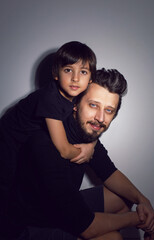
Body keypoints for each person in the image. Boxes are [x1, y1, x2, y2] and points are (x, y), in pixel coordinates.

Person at [1, 69, 154, 240]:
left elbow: (109, 172)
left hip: (55, 210)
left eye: (109, 110)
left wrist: (143, 200)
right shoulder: (44, 144)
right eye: (93, 105)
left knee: (122, 198)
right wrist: (140, 218)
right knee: (112, 238)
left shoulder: (85, 133)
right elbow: (87, 228)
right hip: (25, 228)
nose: (100, 117)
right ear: (75, 104)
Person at [0, 41, 97, 220]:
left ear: (90, 79)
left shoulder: (77, 97)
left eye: (83, 72)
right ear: (55, 74)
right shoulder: (50, 98)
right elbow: (64, 149)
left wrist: (92, 143)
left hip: (24, 143)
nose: (75, 78)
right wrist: (86, 151)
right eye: (68, 70)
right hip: (6, 140)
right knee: (5, 188)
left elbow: (91, 127)